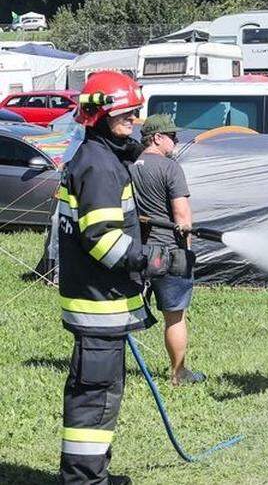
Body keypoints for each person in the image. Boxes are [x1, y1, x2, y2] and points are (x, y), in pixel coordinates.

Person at [57, 72, 187, 485]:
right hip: (98, 305)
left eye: (134, 112)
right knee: (94, 399)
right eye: (124, 114)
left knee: (101, 397)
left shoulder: (103, 157)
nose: (133, 119)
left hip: (100, 302)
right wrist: (154, 260)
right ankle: (83, 480)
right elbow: (101, 239)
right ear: (98, 114)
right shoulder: (98, 166)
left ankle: (91, 473)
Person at [130, 114, 204, 386]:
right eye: (171, 136)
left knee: (121, 313)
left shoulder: (129, 167)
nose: (176, 140)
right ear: (157, 138)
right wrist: (187, 253)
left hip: (136, 251)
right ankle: (178, 374)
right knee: (175, 316)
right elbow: (182, 218)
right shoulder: (170, 168)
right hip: (168, 252)